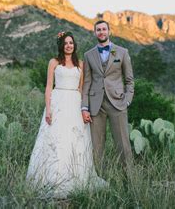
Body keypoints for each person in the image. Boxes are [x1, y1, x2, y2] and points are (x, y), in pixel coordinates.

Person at [26, 31, 107, 198]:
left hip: (75, 103)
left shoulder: (81, 64)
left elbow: (81, 88)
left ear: (74, 45)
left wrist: (84, 108)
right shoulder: (54, 62)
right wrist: (48, 108)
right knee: (56, 137)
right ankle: (51, 177)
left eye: (71, 42)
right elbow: (49, 86)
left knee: (74, 139)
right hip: (58, 101)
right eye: (65, 43)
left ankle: (76, 175)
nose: (68, 45)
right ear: (61, 46)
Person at [81, 20, 134, 174]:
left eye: (104, 29)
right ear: (95, 33)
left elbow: (129, 80)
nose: (101, 32)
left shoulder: (122, 52)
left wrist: (127, 100)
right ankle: (99, 180)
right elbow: (87, 82)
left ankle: (129, 181)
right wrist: (85, 106)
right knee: (97, 146)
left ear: (109, 31)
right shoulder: (88, 55)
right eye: (98, 30)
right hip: (96, 105)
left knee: (123, 145)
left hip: (118, 103)